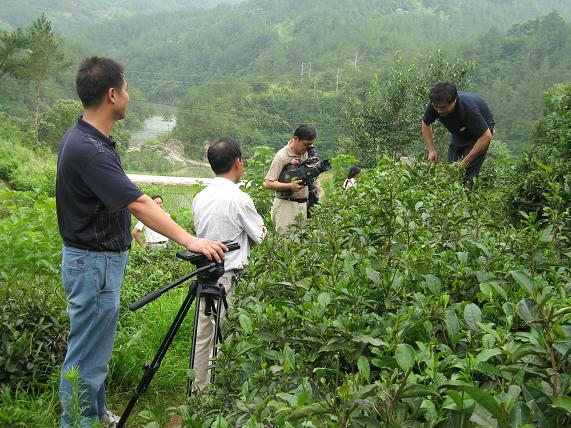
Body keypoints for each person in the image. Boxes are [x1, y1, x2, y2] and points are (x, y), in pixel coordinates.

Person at [56, 57, 226, 428]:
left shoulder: (85, 137)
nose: (130, 96)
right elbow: (139, 203)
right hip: (93, 264)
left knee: (94, 350)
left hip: (93, 262)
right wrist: (189, 239)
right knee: (85, 356)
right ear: (112, 94)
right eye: (127, 88)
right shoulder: (91, 150)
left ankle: (96, 414)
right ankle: (78, 423)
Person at [192, 137, 267, 391]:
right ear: (238, 162)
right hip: (229, 276)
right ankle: (223, 390)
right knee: (226, 332)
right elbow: (260, 235)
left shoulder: (200, 197)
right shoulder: (239, 198)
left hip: (204, 274)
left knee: (204, 334)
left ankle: (199, 392)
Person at [421, 81, 495, 183]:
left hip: (480, 133)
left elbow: (486, 136)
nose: (439, 111)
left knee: (467, 176)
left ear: (454, 100)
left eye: (443, 107)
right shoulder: (436, 103)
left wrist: (465, 162)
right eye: (436, 107)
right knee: (451, 172)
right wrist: (431, 149)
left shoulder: (468, 109)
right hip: (459, 131)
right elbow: (425, 124)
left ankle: (469, 193)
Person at [263, 124, 317, 234]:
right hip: (286, 206)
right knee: (286, 245)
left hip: (306, 204)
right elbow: (268, 183)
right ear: (296, 139)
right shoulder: (282, 156)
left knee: (305, 245)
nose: (307, 148)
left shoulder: (308, 154)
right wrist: (290, 186)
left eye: (310, 145)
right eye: (305, 144)